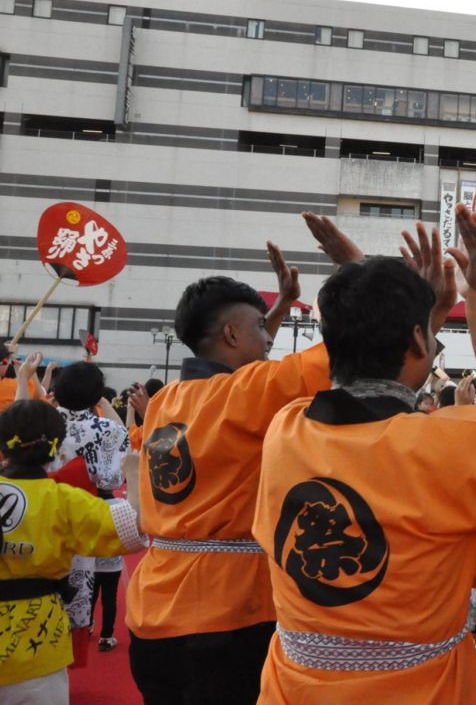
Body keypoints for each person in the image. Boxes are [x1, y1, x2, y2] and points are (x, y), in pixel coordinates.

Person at [250, 206, 476, 704]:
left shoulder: (285, 431)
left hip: (292, 689)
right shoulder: (447, 445)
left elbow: (383, 378)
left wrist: (411, 310)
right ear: (420, 339)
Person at [126, 217, 363, 704]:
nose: (270, 339)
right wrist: (355, 269)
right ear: (232, 335)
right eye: (262, 330)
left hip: (153, 613)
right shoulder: (245, 395)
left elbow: (240, 366)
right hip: (223, 624)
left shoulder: (164, 402)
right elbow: (359, 342)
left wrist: (271, 310)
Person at [0, 399, 147, 703]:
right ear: (57, 447)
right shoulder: (65, 501)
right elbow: (131, 530)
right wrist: (134, 475)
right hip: (38, 642)